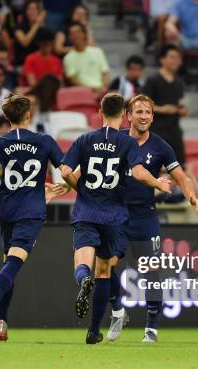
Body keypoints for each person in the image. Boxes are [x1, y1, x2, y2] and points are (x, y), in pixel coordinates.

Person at [58, 93, 173, 344]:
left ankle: (85, 285)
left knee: (86, 266)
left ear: (99, 112)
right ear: (124, 115)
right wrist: (158, 183)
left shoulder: (85, 139)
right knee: (104, 271)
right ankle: (94, 330)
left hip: (87, 212)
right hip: (114, 215)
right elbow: (140, 172)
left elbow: (65, 170)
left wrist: (81, 189)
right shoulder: (126, 143)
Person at [0, 94, 65, 342]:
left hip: (7, 209)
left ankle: (2, 323)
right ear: (28, 115)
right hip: (31, 211)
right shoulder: (44, 141)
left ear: (6, 117)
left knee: (9, 263)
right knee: (14, 264)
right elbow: (65, 171)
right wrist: (68, 187)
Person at [105, 95, 198, 343]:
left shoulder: (160, 146)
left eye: (148, 112)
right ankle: (117, 310)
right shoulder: (117, 140)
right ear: (128, 115)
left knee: (151, 273)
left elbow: (181, 176)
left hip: (145, 217)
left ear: (153, 116)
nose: (144, 116)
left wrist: (192, 197)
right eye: (139, 112)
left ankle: (151, 327)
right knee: (104, 266)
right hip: (116, 215)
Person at [142, 44, 187, 166]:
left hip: (174, 131)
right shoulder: (153, 80)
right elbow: (141, 105)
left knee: (180, 166)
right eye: (172, 57)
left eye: (178, 58)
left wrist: (182, 110)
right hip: (156, 131)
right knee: (155, 167)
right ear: (162, 59)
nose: (176, 61)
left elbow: (181, 103)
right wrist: (162, 109)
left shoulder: (179, 82)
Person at [63, 21, 109, 95]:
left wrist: (103, 88)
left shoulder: (97, 51)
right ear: (69, 37)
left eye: (78, 32)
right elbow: (73, 80)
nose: (76, 35)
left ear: (84, 34)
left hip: (102, 91)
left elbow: (106, 73)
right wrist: (91, 90)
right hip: (82, 93)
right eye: (72, 33)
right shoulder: (68, 58)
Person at [12, 0, 45, 66]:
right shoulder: (19, 27)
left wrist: (40, 25)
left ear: (38, 12)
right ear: (26, 12)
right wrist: (37, 24)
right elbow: (25, 42)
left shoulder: (42, 28)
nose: (32, 12)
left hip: (38, 63)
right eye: (30, 9)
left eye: (35, 9)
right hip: (22, 63)